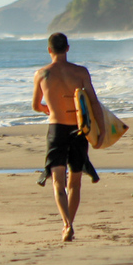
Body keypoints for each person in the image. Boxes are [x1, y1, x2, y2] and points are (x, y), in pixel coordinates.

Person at [31, 33, 103, 242]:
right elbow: (93, 102)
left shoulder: (42, 74)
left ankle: (66, 224)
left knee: (57, 181)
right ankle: (69, 224)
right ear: (68, 48)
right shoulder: (80, 72)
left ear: (49, 50)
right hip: (79, 130)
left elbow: (36, 105)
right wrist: (101, 130)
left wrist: (49, 109)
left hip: (56, 130)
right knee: (75, 182)